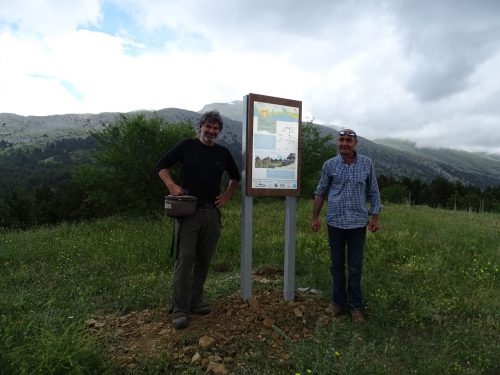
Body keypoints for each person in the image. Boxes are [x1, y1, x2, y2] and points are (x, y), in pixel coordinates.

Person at [156, 111, 240, 329]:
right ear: (201, 126)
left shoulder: (222, 153)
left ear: (219, 131)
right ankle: (179, 309)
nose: (211, 131)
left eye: (215, 129)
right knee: (185, 259)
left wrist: (227, 196)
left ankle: (195, 302)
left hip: (212, 212)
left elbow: (235, 177)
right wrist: (172, 187)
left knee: (204, 259)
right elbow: (161, 166)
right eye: (208, 127)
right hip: (188, 211)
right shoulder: (187, 146)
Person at [310, 128, 381, 322]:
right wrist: (314, 217)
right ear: (338, 142)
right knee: (337, 264)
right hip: (336, 222)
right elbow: (320, 192)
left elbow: (373, 191)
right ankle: (338, 303)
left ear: (355, 143)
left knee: (356, 266)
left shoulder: (367, 163)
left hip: (358, 223)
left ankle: (356, 306)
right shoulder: (329, 165)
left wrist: (375, 217)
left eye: (348, 140)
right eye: (341, 140)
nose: (344, 143)